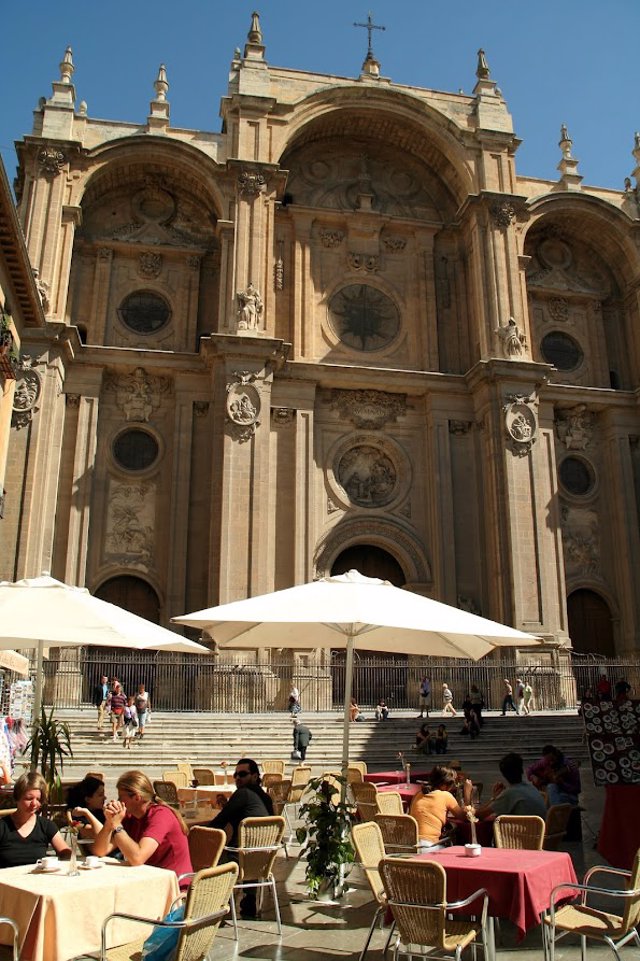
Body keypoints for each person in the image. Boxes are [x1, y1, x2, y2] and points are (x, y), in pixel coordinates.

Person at [92, 770, 192, 887]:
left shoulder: (161, 815)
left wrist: (117, 826)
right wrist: (109, 823)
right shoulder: (131, 817)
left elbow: (137, 858)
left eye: (121, 798)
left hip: (175, 889)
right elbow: (100, 851)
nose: (118, 802)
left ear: (137, 797)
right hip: (150, 882)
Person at [208, 758, 274, 919]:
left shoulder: (244, 793)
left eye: (243, 774)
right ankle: (249, 898)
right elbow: (240, 812)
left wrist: (197, 834)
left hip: (237, 858)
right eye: (236, 774)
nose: (238, 778)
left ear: (255, 776)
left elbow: (219, 822)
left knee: (210, 854)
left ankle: (211, 904)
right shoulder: (264, 798)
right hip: (262, 859)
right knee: (245, 848)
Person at [0, 771, 71, 868]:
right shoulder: (3, 827)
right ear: (17, 798)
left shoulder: (46, 826)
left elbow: (66, 853)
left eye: (38, 799)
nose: (34, 804)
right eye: (29, 798)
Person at [408, 764, 472, 845]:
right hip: (427, 845)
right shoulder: (445, 796)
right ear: (444, 785)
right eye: (452, 784)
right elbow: (466, 817)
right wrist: (467, 794)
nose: (452, 787)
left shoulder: (418, 794)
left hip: (410, 843)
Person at [475, 753, 547, 820]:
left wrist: (494, 798)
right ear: (522, 770)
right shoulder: (531, 787)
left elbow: (479, 815)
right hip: (541, 830)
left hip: (523, 832)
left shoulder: (509, 793)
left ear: (504, 775)